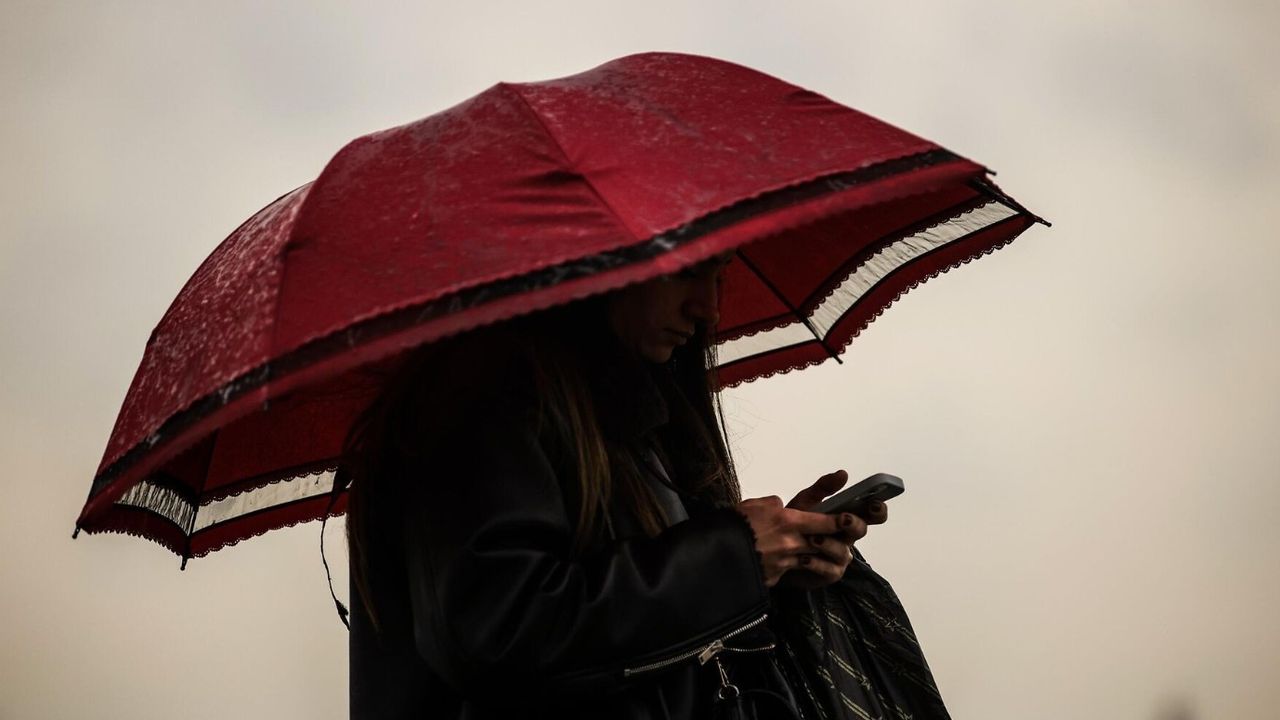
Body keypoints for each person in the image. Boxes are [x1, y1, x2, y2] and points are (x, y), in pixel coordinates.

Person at [340, 250, 890, 719]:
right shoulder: (475, 402)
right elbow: (500, 633)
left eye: (717, 274)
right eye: (685, 271)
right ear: (599, 259)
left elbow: (630, 632)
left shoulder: (616, 420)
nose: (709, 308)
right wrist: (732, 558)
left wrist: (777, 564)